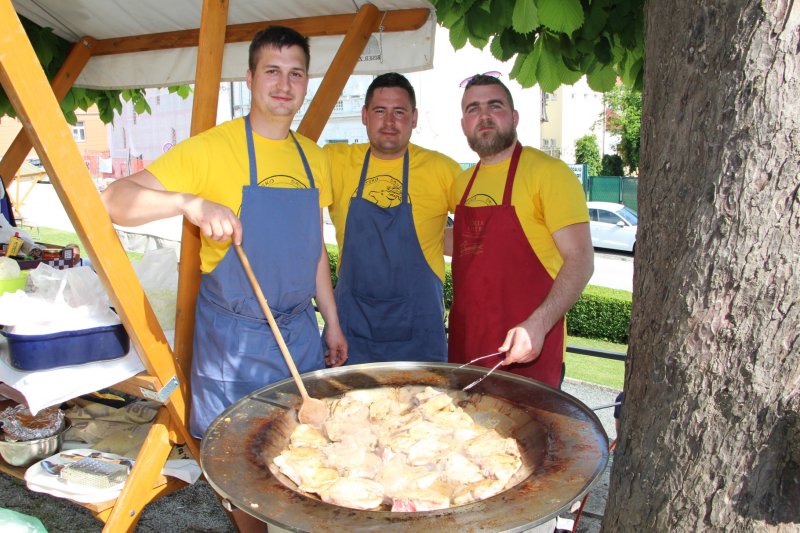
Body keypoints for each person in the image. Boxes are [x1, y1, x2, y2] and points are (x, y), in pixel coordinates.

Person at [102, 25, 348, 440]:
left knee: (303, 453)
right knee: (235, 458)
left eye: (295, 73)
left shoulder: (314, 158)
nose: (284, 85)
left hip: (301, 338)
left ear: (306, 82)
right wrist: (189, 204)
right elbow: (113, 200)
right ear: (249, 79)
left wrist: (333, 321)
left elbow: (314, 250)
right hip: (235, 345)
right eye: (272, 71)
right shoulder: (210, 148)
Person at [446, 74, 594, 389]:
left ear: (514, 117)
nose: (484, 116)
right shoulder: (461, 184)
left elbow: (581, 259)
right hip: (467, 349)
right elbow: (466, 246)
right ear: (463, 125)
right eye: (473, 109)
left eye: (494, 106)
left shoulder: (549, 173)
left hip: (528, 351)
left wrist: (537, 324)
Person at [324, 72, 462, 365]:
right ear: (364, 116)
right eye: (380, 111)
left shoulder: (443, 170)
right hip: (350, 334)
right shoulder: (334, 160)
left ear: (414, 118)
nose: (389, 122)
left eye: (399, 112)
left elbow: (479, 234)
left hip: (420, 333)